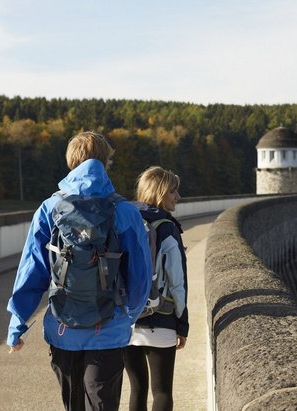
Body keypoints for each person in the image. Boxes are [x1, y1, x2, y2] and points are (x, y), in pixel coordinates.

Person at [5, 131, 151, 411]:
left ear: (71, 162)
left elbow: (32, 271)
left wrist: (17, 325)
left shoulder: (49, 209)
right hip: (109, 330)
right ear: (106, 162)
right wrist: (127, 316)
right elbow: (140, 276)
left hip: (63, 328)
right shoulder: (125, 211)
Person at [123, 166, 189, 411]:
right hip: (160, 319)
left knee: (137, 389)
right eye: (173, 191)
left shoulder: (125, 222)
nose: (178, 197)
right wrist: (182, 323)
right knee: (161, 391)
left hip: (127, 320)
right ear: (161, 194)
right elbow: (178, 283)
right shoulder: (167, 228)